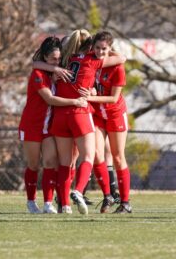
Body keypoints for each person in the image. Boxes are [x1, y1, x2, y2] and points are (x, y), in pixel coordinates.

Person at [34, 29, 126, 214]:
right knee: (88, 157)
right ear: (91, 46)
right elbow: (121, 58)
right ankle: (78, 190)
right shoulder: (92, 60)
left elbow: (35, 63)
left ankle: (64, 205)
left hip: (59, 116)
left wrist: (54, 69)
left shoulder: (63, 61)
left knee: (65, 163)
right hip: (79, 113)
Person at [19, 36, 87, 214]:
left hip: (48, 127)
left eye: (58, 59)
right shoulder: (38, 74)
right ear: (45, 58)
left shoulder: (57, 73)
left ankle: (48, 203)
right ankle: (31, 202)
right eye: (52, 59)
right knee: (33, 164)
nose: (57, 62)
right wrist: (75, 102)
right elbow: (49, 98)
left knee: (51, 161)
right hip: (31, 125)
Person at [84, 31, 132, 213]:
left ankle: (126, 202)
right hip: (97, 115)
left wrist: (90, 98)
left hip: (114, 114)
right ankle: (108, 196)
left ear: (110, 48)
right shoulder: (90, 59)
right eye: (97, 47)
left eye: (104, 49)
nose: (100, 52)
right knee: (97, 154)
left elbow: (113, 98)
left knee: (118, 156)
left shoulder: (117, 66)